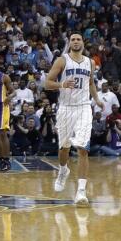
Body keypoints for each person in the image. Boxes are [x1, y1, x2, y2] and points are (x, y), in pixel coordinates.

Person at [43, 34, 97, 205]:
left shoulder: (91, 62)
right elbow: (47, 83)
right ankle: (63, 170)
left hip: (83, 108)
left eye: (78, 39)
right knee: (64, 148)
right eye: (72, 39)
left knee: (82, 148)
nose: (75, 42)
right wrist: (62, 84)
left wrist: (98, 100)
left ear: (82, 43)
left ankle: (81, 191)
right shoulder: (62, 60)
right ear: (70, 43)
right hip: (66, 108)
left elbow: (91, 83)